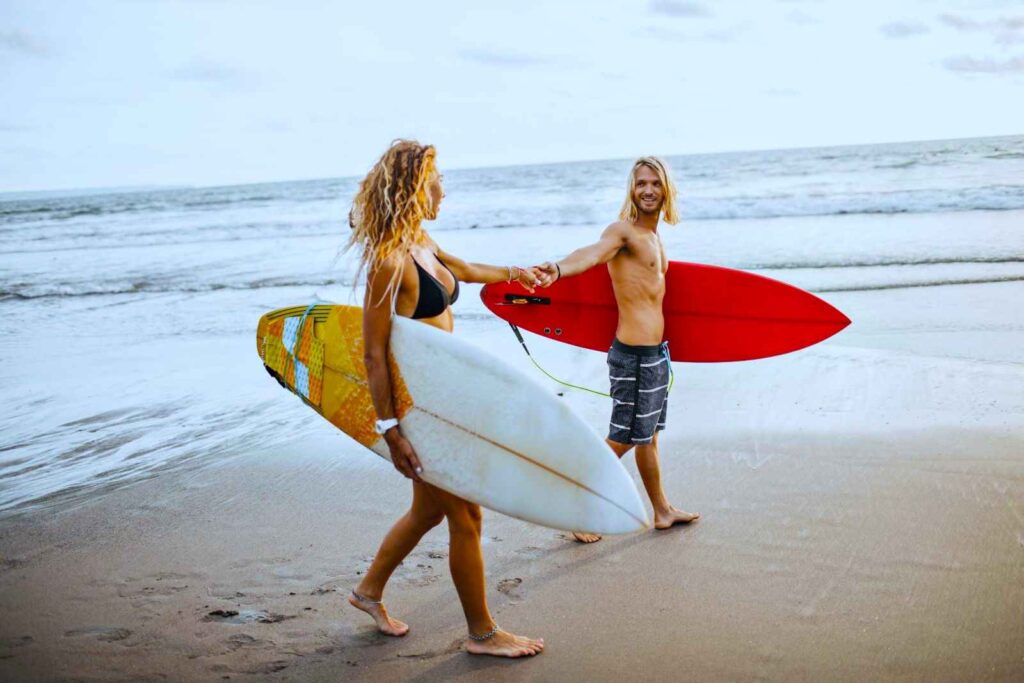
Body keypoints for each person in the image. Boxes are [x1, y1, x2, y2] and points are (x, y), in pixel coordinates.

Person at [347, 140, 545, 658]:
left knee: (429, 513)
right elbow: (372, 355)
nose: (443, 191)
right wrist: (391, 431)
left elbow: (464, 268)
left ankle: (368, 592)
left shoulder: (422, 242)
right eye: (435, 181)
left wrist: (514, 272)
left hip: (448, 400)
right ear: (413, 187)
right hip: (422, 412)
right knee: (468, 518)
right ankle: (483, 634)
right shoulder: (388, 263)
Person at [533, 156, 700, 543]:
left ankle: (661, 510)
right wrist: (557, 270)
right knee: (624, 437)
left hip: (657, 354)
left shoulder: (655, 237)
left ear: (666, 190)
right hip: (634, 357)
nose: (648, 190)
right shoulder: (622, 233)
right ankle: (578, 509)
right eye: (641, 183)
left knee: (649, 436)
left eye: (655, 183)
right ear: (631, 189)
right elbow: (589, 254)